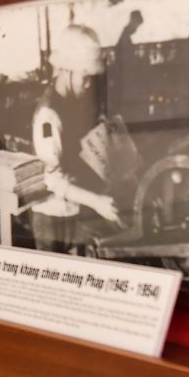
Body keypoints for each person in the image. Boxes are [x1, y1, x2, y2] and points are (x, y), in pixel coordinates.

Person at [28, 24, 125, 253]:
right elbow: (52, 180)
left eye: (93, 78)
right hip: (52, 221)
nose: (90, 84)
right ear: (67, 70)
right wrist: (97, 202)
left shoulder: (75, 102)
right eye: (85, 77)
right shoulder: (48, 116)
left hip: (76, 210)